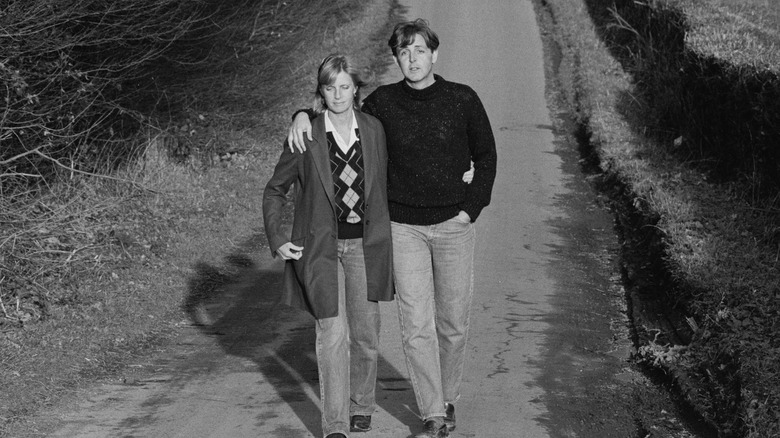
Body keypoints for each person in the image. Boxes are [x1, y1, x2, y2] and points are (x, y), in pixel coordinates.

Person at [287, 19, 497, 438]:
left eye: (419, 50)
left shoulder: (463, 99)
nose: (412, 59)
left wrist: (469, 210)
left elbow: (487, 156)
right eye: (404, 52)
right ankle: (434, 412)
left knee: (452, 322)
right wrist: (300, 115)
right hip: (403, 228)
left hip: (454, 226)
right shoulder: (383, 102)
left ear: (434, 54)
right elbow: (341, 118)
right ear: (397, 58)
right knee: (415, 321)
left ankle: (447, 396)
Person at [263, 54, 394, 438]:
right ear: (321, 92)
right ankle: (335, 424)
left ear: (356, 88)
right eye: (329, 87)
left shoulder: (374, 130)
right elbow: (275, 190)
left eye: (344, 86)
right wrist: (279, 239)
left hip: (366, 248)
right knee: (332, 335)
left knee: (366, 335)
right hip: (321, 249)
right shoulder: (306, 135)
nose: (338, 94)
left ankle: (362, 404)